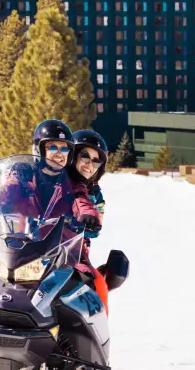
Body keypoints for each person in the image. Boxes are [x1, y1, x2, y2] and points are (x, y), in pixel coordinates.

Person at [66, 129, 109, 311]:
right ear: (73, 156)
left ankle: (97, 335)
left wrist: (90, 220)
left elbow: (95, 229)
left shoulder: (96, 195)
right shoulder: (59, 181)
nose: (89, 164)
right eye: (84, 156)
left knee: (99, 285)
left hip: (75, 253)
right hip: (44, 247)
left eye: (96, 160)